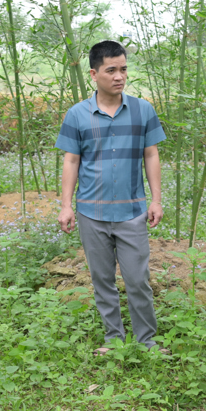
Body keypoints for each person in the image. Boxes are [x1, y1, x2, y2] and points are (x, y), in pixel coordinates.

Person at [56, 40, 166, 354]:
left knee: (137, 280)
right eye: (111, 70)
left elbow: (151, 154)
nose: (119, 76)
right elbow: (71, 161)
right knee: (102, 279)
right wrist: (66, 206)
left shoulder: (143, 110)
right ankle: (113, 340)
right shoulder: (77, 114)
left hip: (133, 211)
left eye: (123, 69)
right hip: (92, 212)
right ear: (94, 74)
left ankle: (146, 341)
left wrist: (155, 200)